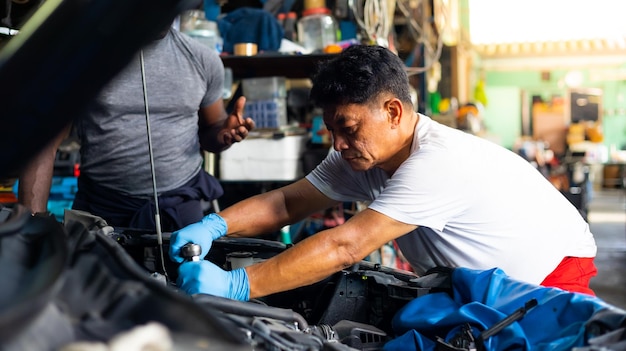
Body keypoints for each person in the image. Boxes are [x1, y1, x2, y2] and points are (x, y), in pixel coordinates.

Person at [170, 44, 597, 301]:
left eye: (349, 128)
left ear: (393, 111)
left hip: (548, 282)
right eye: (333, 130)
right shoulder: (364, 155)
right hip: (476, 286)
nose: (338, 144)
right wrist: (214, 225)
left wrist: (238, 286)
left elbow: (345, 245)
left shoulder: (438, 161)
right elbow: (286, 202)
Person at [18, 24, 255, 231]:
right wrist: (31, 227)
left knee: (184, 283)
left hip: (179, 209)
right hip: (102, 209)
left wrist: (224, 134)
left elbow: (210, 132)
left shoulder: (201, 59)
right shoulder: (83, 60)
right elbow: (42, 145)